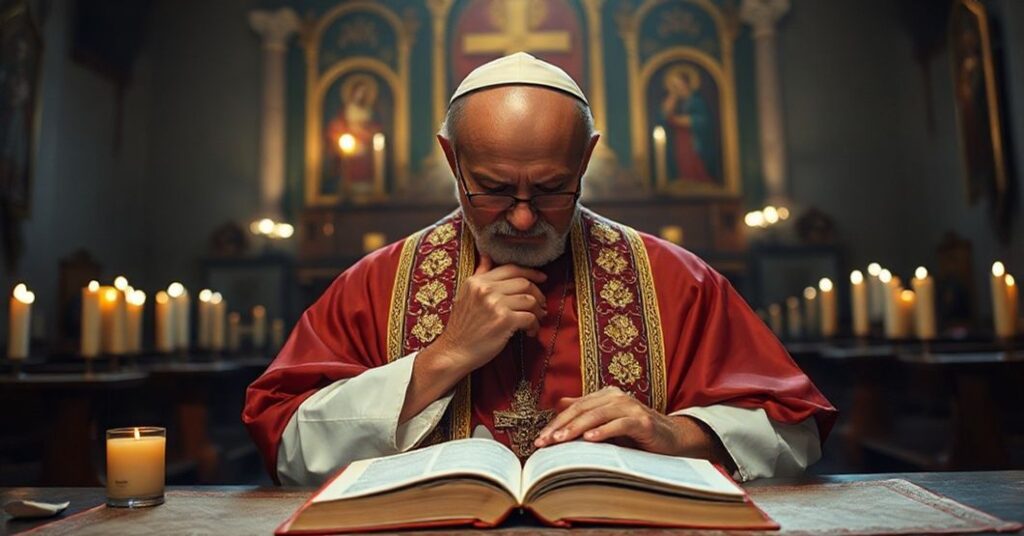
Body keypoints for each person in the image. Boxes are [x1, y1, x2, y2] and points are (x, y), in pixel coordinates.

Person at [244, 52, 836, 486]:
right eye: (494, 190)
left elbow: (794, 430)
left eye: (553, 189)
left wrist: (676, 435)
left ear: (586, 157)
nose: (524, 220)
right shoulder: (374, 284)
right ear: (454, 160)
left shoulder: (678, 281)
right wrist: (443, 357)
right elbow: (285, 446)